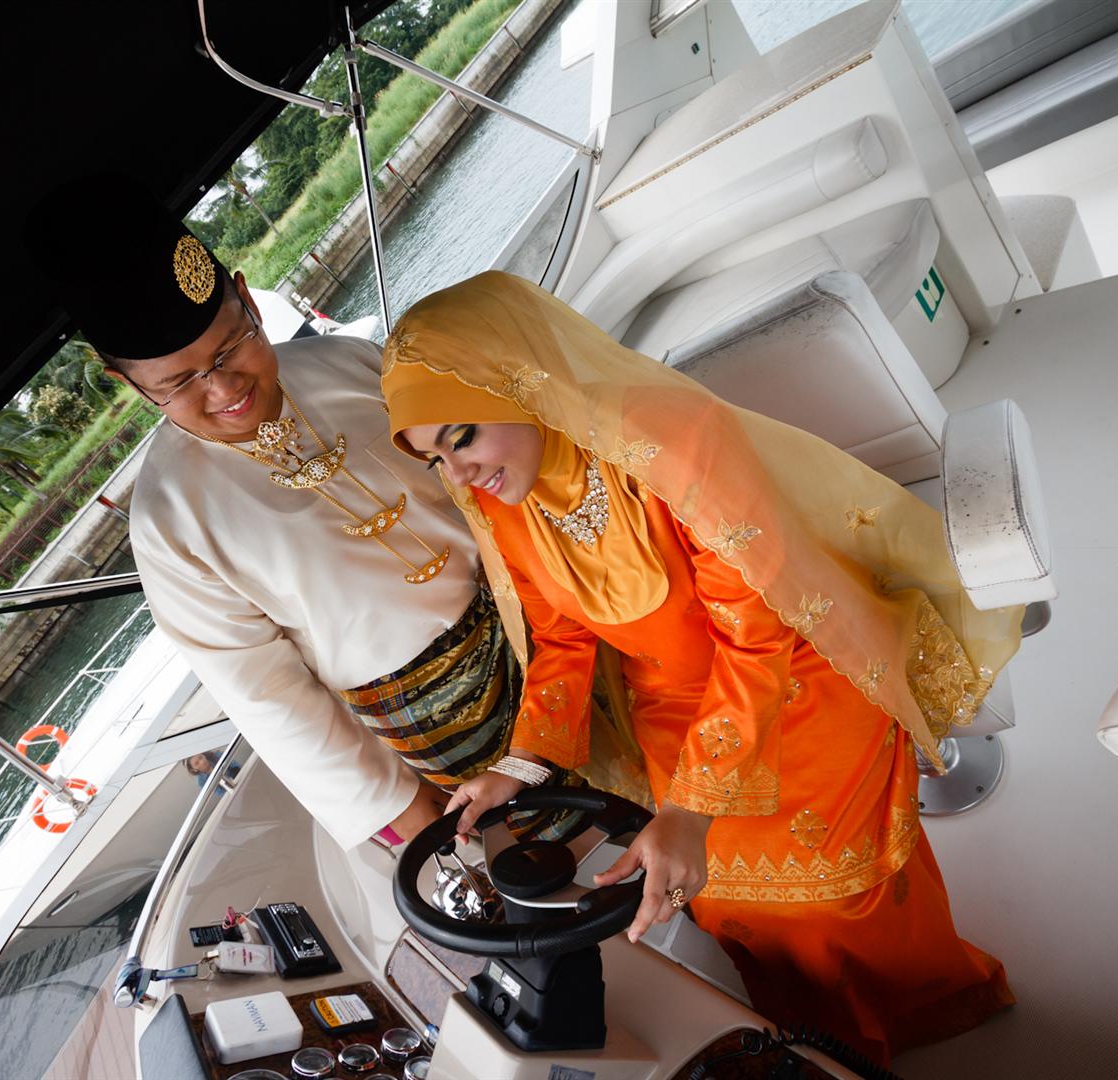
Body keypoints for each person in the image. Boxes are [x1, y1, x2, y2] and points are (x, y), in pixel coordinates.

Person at [380, 270, 1025, 1064]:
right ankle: (812, 1054)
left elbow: (758, 637)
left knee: (831, 895)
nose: (458, 476)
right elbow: (561, 640)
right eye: (435, 459)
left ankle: (925, 1016)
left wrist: (690, 810)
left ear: (518, 381)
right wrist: (519, 765)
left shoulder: (670, 442)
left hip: (796, 671)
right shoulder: (504, 503)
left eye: (462, 437)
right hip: (670, 710)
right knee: (717, 901)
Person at [22, 175, 577, 850]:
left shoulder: (351, 363)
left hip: (549, 618)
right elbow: (263, 689)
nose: (224, 389)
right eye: (180, 382)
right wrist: (398, 802)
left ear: (248, 299)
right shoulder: (168, 523)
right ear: (130, 385)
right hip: (436, 715)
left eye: (231, 348)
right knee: (566, 844)